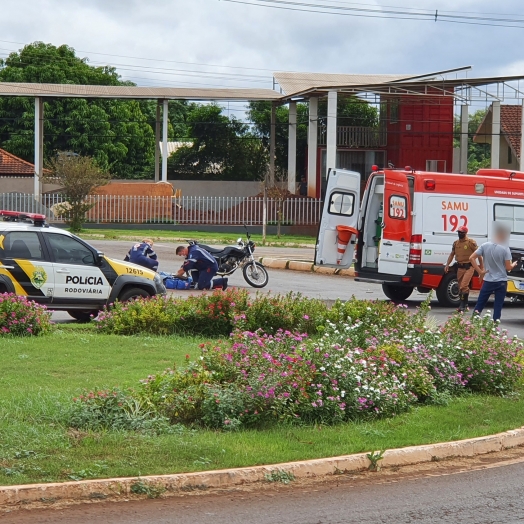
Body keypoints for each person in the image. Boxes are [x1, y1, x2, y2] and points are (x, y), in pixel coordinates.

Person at [469, 223, 517, 322]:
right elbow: (508, 268)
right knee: (498, 305)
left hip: (488, 280)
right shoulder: (505, 249)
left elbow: (471, 258)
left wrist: (480, 271)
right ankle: (495, 325)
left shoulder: (485, 246)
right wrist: (514, 264)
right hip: (501, 281)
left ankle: (473, 322)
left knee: (480, 303)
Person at [444, 226, 479, 312]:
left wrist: (481, 267)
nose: (460, 234)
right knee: (460, 287)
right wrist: (447, 264)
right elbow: (452, 254)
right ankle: (465, 304)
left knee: (464, 285)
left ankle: (462, 305)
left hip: (469, 267)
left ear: (465, 233)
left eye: (461, 232)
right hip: (460, 267)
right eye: (459, 232)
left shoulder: (471, 242)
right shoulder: (456, 243)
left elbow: (479, 254)